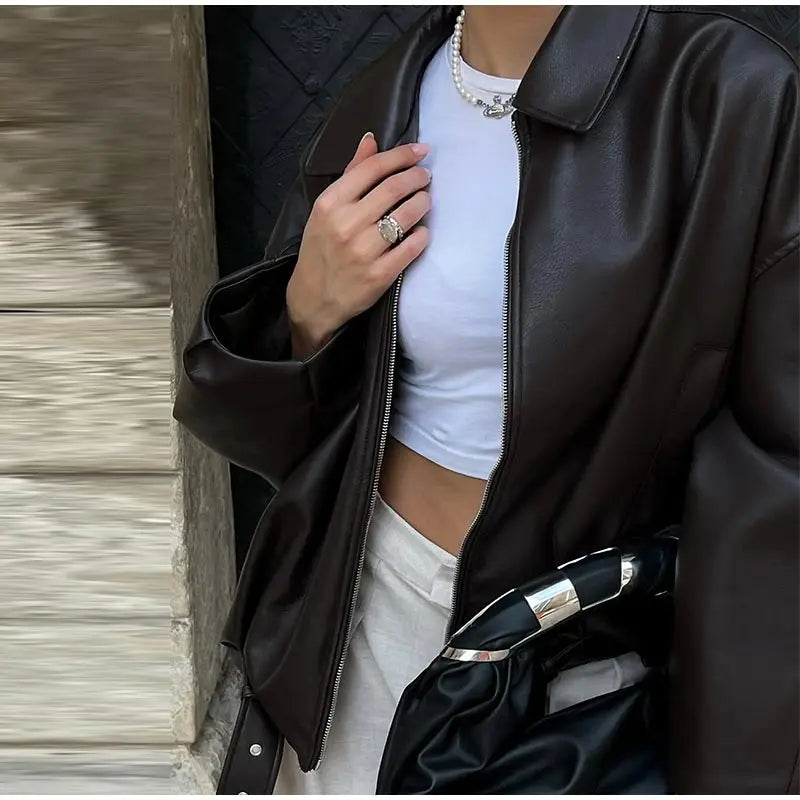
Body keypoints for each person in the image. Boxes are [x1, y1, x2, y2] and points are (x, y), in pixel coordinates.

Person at [173, 5, 799, 795]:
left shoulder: (732, 95)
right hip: (364, 620)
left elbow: (778, 479)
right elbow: (286, 447)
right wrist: (306, 312)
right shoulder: (390, 92)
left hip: (575, 660)